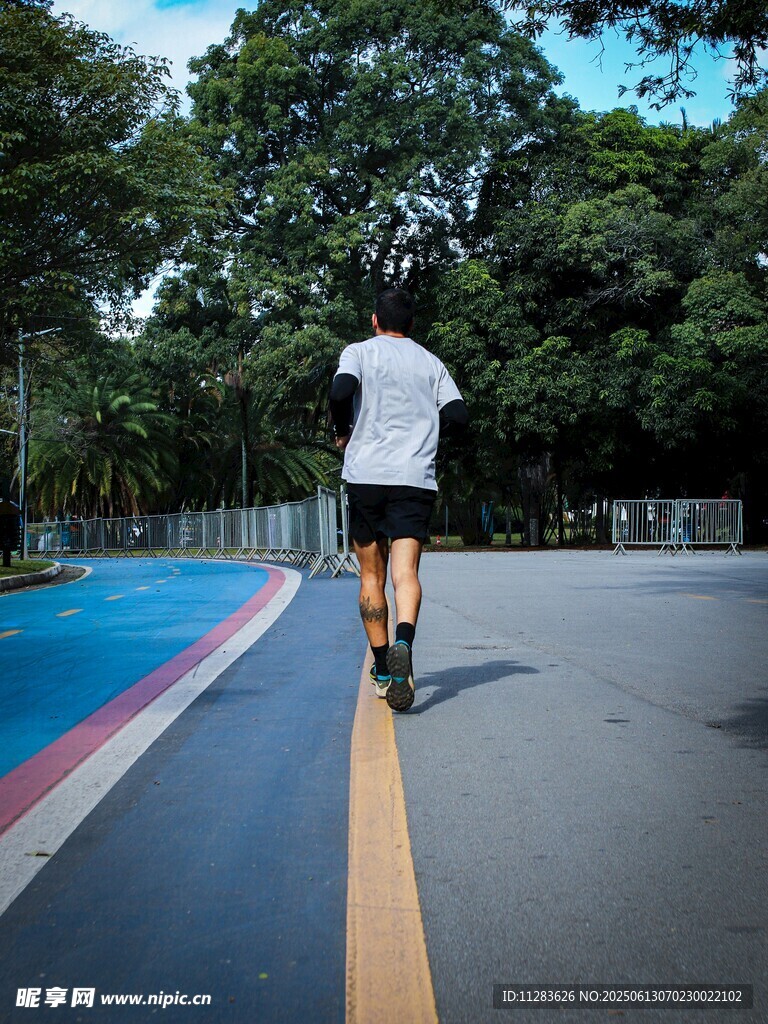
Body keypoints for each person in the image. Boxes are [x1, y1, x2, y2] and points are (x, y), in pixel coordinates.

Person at [329, 288, 468, 712]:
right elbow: (459, 416)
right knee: (405, 573)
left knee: (371, 576)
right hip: (414, 479)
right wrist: (429, 447)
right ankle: (403, 643)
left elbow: (340, 391)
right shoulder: (431, 362)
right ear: (412, 325)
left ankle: (384, 671)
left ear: (375, 320)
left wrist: (343, 429)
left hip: (366, 477)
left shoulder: (358, 352)